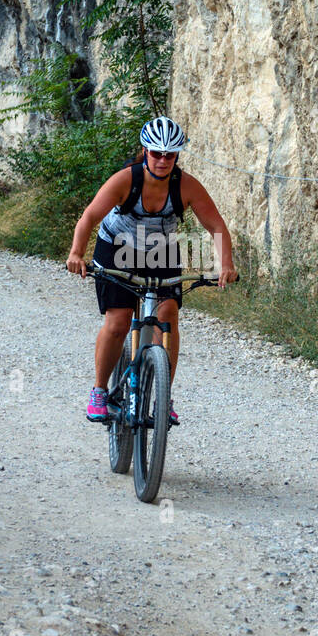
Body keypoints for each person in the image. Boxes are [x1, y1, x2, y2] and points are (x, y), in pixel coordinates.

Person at [66, 115, 238, 424]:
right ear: (145, 151)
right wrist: (77, 253)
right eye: (156, 153)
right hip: (117, 247)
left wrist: (226, 263)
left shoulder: (185, 185)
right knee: (118, 322)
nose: (162, 160)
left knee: (167, 314)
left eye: (169, 154)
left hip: (160, 249)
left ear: (176, 156)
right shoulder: (126, 180)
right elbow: (89, 216)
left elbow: (215, 224)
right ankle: (100, 390)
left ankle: (163, 396)